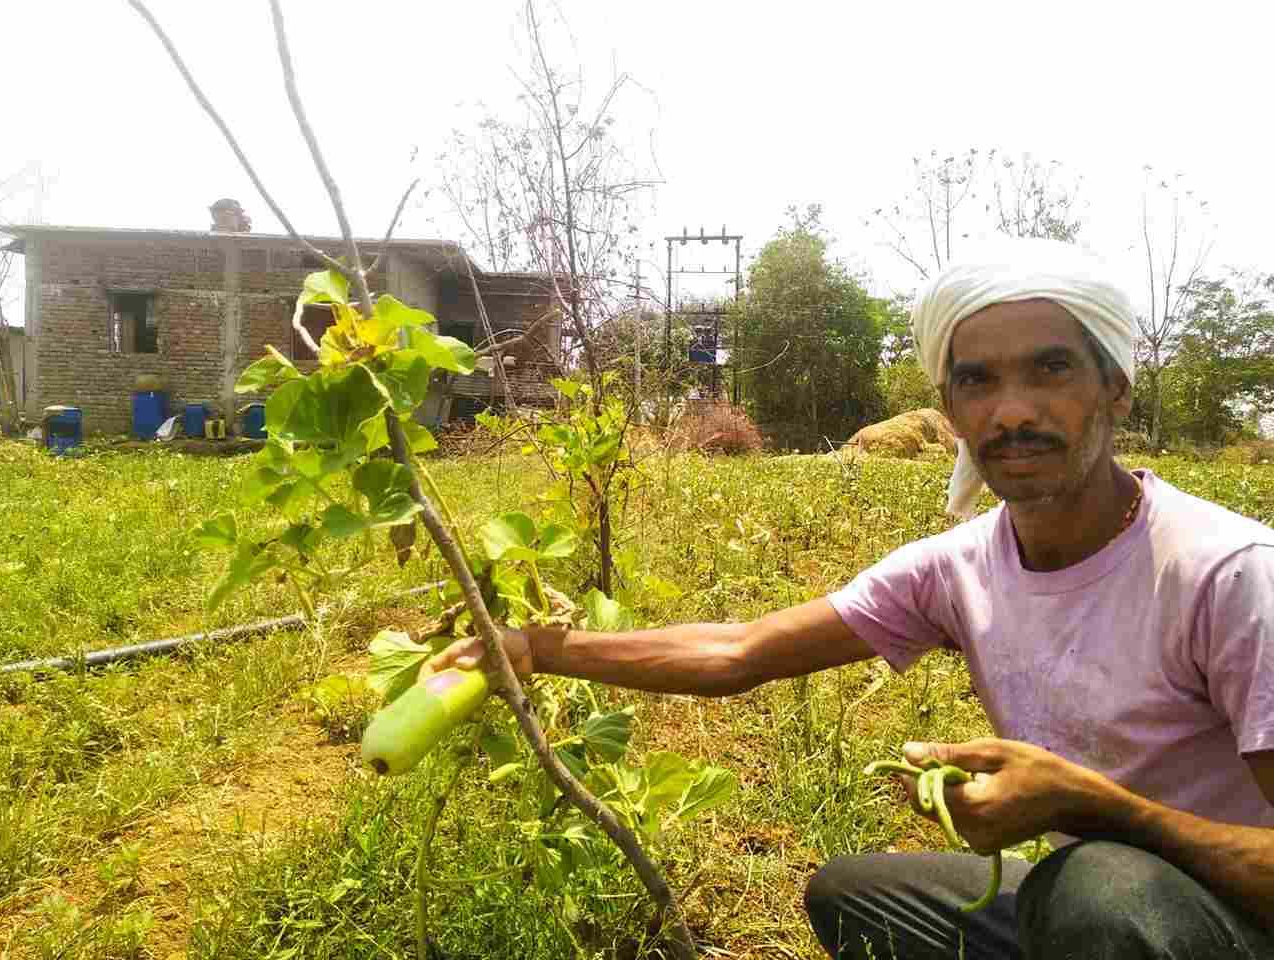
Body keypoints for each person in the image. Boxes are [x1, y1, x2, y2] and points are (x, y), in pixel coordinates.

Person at [432, 238, 1274, 959]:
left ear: (1115, 385)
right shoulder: (960, 568)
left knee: (1097, 885)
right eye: (976, 383)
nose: (1012, 411)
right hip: (1109, 896)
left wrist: (1096, 809)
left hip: (1230, 911)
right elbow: (741, 652)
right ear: (948, 410)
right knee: (857, 895)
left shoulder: (1227, 572)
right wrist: (537, 649)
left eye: (1051, 369)